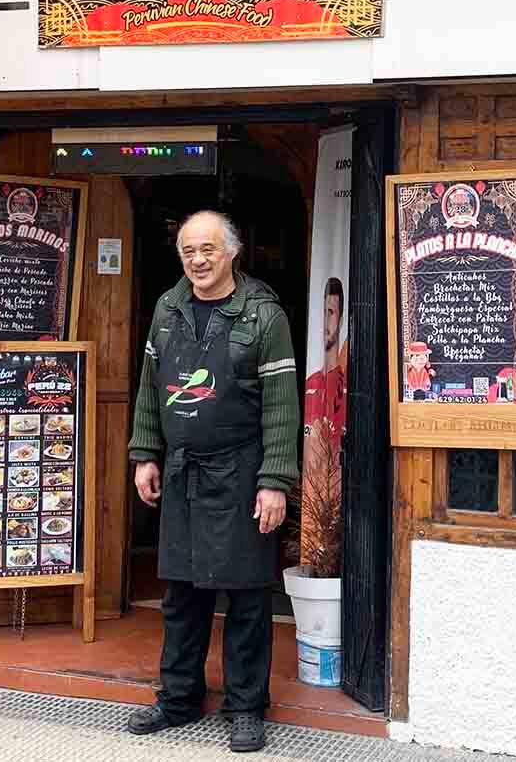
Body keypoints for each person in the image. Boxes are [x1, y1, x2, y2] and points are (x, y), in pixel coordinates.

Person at [126, 210, 300, 754]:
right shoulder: (168, 309)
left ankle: (246, 707)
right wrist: (144, 453)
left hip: (242, 472)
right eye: (188, 252)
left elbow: (281, 406)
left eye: (207, 250)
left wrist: (274, 480)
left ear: (232, 252)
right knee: (180, 593)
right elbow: (151, 388)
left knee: (247, 598)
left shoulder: (263, 315)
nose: (197, 260)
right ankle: (178, 698)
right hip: (182, 470)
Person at [302, 276, 347, 446]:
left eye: (331, 312)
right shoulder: (310, 383)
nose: (325, 321)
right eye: (323, 312)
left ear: (341, 319)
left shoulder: (347, 386)